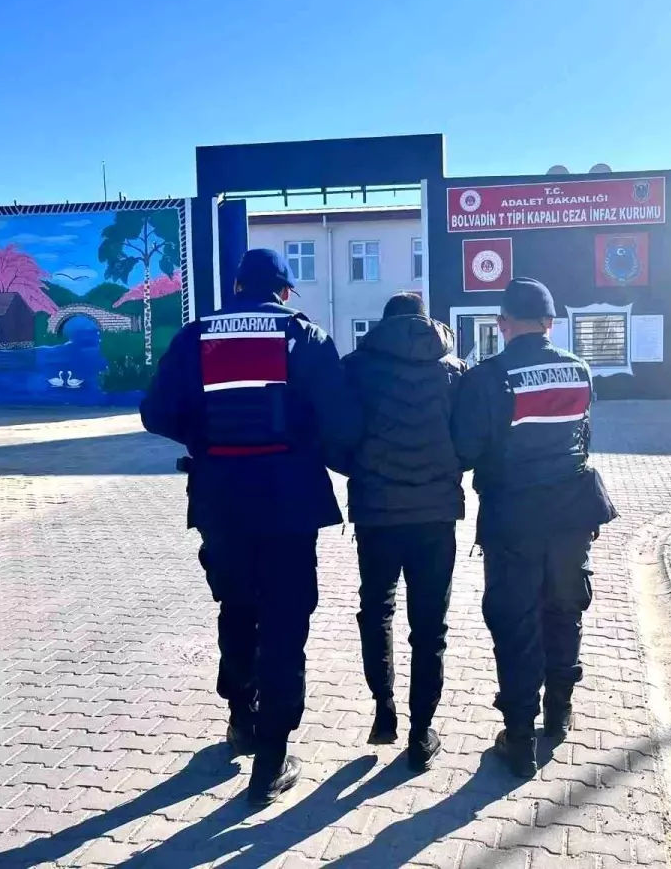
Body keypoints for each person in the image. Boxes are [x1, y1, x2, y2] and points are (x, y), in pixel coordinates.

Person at [139, 248, 360, 807]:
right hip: (288, 501)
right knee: (285, 621)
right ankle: (272, 758)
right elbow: (341, 422)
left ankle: (242, 717)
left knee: (237, 607)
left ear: (237, 288)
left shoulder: (196, 336)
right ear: (283, 291)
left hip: (221, 500)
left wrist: (206, 439)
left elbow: (156, 412)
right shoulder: (304, 336)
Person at [450, 277, 618, 778]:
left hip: (513, 519)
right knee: (564, 609)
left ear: (503, 323)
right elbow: (583, 435)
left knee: (515, 621)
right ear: (549, 323)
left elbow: (465, 450)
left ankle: (520, 738)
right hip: (571, 515)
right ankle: (559, 712)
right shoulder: (578, 369)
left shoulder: (489, 376)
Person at [341, 292, 465, 772]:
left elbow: (335, 433)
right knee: (430, 627)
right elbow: (469, 438)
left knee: (377, 610)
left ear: (385, 322)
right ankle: (421, 732)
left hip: (376, 512)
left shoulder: (357, 368)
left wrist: (360, 469)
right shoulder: (453, 370)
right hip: (435, 515)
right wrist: (449, 466)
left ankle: (384, 707)